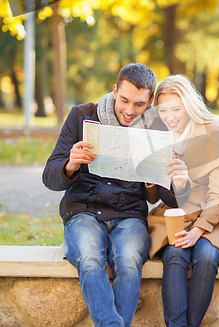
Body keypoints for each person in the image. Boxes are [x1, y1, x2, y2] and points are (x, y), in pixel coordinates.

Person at [42, 63, 158, 327]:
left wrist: (154, 181)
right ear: (115, 90)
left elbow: (163, 196)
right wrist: (70, 165)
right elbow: (49, 177)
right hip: (83, 211)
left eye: (139, 104)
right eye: (124, 100)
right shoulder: (82, 115)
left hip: (129, 214)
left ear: (150, 101)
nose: (130, 111)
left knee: (129, 262)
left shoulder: (156, 130)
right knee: (91, 258)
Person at [146, 74, 219, 327]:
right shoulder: (159, 136)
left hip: (210, 217)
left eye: (176, 109)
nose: (169, 117)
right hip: (173, 216)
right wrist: (150, 175)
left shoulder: (215, 132)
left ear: (189, 105)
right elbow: (154, 196)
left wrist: (199, 230)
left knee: (206, 256)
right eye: (164, 110)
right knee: (175, 256)